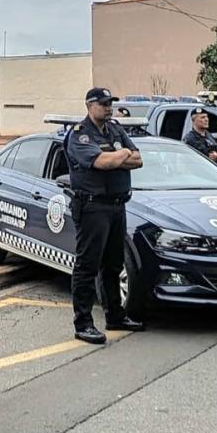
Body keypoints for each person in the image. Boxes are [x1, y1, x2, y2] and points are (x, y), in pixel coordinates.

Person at [64, 88, 144, 345]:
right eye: (103, 104)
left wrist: (115, 157)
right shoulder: (79, 134)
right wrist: (121, 156)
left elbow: (139, 160)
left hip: (117, 205)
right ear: (89, 105)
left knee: (113, 263)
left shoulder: (115, 130)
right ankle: (83, 323)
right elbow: (101, 163)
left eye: (110, 104)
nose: (108, 108)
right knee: (88, 265)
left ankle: (115, 316)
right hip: (92, 207)